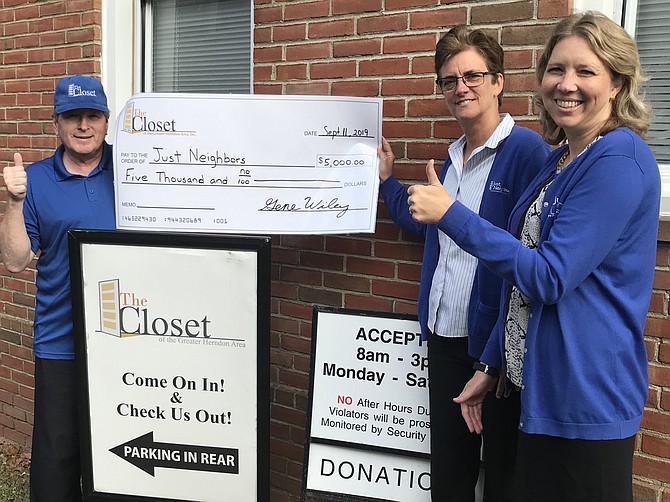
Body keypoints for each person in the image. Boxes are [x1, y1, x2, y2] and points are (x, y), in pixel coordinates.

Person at [407, 12, 659, 502]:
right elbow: (524, 277)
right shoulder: (562, 157)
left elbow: (548, 276)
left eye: (586, 71)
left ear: (617, 82)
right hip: (538, 390)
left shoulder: (619, 161)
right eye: (555, 69)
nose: (566, 84)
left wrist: (451, 215)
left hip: (585, 399)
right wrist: (495, 361)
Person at [377, 26, 550, 502]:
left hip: (493, 349)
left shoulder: (528, 153)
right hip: (443, 338)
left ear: (498, 81)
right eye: (449, 80)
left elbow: (529, 258)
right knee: (449, 472)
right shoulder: (452, 159)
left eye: (472, 75)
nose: (460, 88)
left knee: (502, 476)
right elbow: (430, 225)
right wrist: (387, 183)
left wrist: (493, 356)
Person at [0, 75, 115, 501]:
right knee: (57, 455)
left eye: (92, 116)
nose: (83, 126)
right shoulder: (35, 181)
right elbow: (14, 261)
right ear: (56, 124)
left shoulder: (133, 175)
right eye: (72, 117)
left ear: (105, 122)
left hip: (129, 340)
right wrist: (13, 203)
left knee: (119, 454)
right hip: (61, 340)